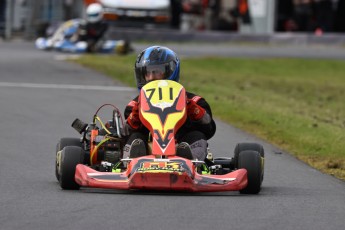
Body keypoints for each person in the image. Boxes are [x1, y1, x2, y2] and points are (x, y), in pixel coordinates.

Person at [122, 46, 216, 161]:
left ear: (170, 71)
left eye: (156, 72)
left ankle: (190, 161)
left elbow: (209, 129)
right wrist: (134, 118)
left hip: (181, 144)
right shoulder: (133, 105)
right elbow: (124, 134)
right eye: (148, 73)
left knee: (197, 136)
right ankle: (131, 163)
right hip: (148, 149)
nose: (151, 77)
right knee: (136, 138)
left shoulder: (196, 101)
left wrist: (193, 110)